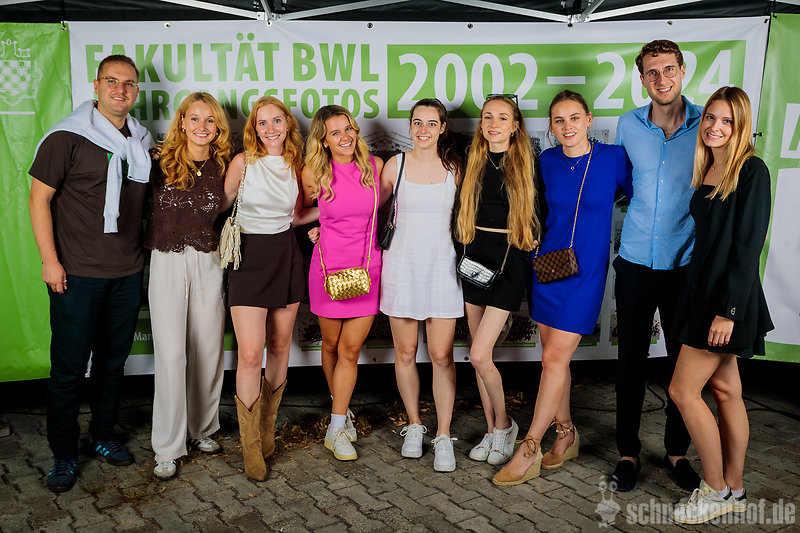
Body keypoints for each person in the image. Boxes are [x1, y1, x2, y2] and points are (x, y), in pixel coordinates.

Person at [493, 90, 632, 485]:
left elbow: (641, 201)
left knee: (554, 359)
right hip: (548, 268)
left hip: (586, 274)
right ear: (551, 128)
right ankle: (567, 433)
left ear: (589, 120)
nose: (567, 126)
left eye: (574, 118)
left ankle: (530, 446)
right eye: (559, 120)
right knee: (552, 360)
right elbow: (537, 208)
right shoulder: (547, 161)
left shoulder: (613, 158)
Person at [28, 54, 152, 492]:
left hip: (127, 271)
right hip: (76, 273)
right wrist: (50, 260)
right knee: (68, 369)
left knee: (112, 365)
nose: (121, 90)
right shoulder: (67, 137)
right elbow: (38, 200)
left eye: (129, 83)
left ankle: (102, 435)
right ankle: (63, 453)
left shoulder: (140, 140)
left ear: (136, 91)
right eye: (112, 81)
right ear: (96, 86)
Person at [668, 86, 773, 524]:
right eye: (711, 117)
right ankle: (735, 489)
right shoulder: (710, 166)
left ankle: (713, 490)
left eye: (727, 120)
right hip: (702, 292)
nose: (715, 126)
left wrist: (728, 312)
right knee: (727, 391)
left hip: (726, 300)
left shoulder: (751, 170)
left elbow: (748, 249)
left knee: (682, 391)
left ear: (741, 125)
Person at [611, 40, 703, 492]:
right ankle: (627, 452)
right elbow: (622, 182)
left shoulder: (708, 123)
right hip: (633, 261)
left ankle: (676, 451)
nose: (661, 79)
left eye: (669, 69)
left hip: (684, 263)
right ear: (642, 78)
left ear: (682, 71)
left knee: (681, 365)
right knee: (630, 361)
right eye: (652, 72)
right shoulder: (628, 125)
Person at [224, 96, 317, 481]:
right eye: (262, 123)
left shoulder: (299, 166)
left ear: (288, 124)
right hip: (248, 257)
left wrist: (335, 211)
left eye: (277, 121)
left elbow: (297, 216)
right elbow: (222, 205)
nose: (270, 129)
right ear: (254, 129)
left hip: (285, 254)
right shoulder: (243, 163)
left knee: (279, 346)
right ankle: (249, 447)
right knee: (250, 353)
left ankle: (266, 432)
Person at [145, 92, 232, 480]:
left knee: (208, 348)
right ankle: (167, 446)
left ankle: (203, 428)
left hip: (209, 259)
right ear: (181, 122)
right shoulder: (158, 161)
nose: (201, 126)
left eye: (209, 120)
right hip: (166, 259)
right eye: (194, 118)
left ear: (217, 127)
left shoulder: (225, 165)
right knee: (170, 354)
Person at [454, 94, 539, 467]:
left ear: (515, 126)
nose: (493, 123)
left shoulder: (526, 164)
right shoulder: (471, 160)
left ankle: (505, 425)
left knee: (478, 354)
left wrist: (533, 237)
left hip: (509, 261)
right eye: (488, 117)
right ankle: (491, 431)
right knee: (479, 357)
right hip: (474, 259)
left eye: (502, 117)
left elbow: (539, 215)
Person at [379, 98, 463, 472]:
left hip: (442, 269)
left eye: (431, 123)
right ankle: (414, 424)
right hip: (401, 268)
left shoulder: (455, 169)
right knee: (406, 352)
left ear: (442, 128)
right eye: (417, 122)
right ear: (410, 126)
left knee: (442, 356)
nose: (423, 130)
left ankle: (443, 435)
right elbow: (369, 210)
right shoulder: (394, 166)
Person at [301, 105, 384, 461]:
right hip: (327, 268)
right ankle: (342, 408)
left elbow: (389, 209)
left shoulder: (375, 167)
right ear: (323, 140)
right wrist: (316, 224)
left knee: (350, 350)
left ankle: (335, 430)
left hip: (368, 267)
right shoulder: (312, 172)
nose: (344, 136)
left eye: (348, 128)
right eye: (335, 132)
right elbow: (300, 212)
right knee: (332, 345)